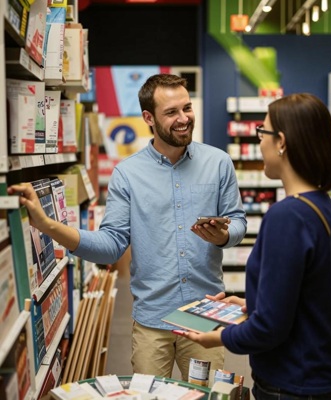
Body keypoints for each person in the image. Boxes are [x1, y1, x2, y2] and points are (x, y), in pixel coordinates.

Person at [8, 74, 247, 380]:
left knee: (211, 396)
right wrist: (47, 225)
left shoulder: (219, 162)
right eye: (171, 112)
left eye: (186, 108)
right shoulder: (127, 174)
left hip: (205, 318)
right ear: (148, 118)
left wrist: (225, 235)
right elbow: (111, 246)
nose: (184, 118)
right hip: (151, 323)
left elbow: (237, 221)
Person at [177, 93, 331, 399]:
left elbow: (269, 329)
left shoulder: (287, 216)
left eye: (263, 132)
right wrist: (251, 305)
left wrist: (217, 337)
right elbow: (305, 295)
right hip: (322, 376)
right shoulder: (322, 204)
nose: (259, 142)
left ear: (281, 141)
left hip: (294, 383)